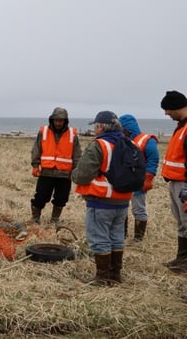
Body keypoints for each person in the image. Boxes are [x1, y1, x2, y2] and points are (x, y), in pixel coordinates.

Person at [71, 111, 131, 285]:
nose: (95, 129)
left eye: (96, 126)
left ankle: (102, 278)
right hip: (123, 201)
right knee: (117, 237)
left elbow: (82, 175)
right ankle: (115, 275)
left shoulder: (99, 145)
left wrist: (73, 174)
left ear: (101, 127)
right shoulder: (128, 143)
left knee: (99, 239)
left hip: (101, 200)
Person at [30, 107, 81, 223]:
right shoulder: (43, 132)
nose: (58, 123)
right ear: (52, 120)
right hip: (46, 172)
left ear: (65, 121)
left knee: (61, 199)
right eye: (56, 120)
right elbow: (36, 149)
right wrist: (35, 165)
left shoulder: (72, 134)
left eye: (61, 120)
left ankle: (54, 219)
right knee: (40, 197)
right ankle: (35, 218)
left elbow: (77, 154)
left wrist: (76, 170)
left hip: (65, 174)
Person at [118, 114, 159, 242]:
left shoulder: (147, 140)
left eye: (122, 128)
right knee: (121, 210)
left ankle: (138, 238)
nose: (120, 131)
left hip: (138, 182)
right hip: (123, 181)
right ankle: (121, 235)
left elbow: (153, 160)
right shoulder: (122, 139)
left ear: (128, 128)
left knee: (139, 209)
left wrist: (148, 178)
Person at [160, 90, 187, 274]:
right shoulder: (181, 126)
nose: (166, 113)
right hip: (175, 182)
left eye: (168, 109)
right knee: (181, 223)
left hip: (183, 184)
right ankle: (182, 259)